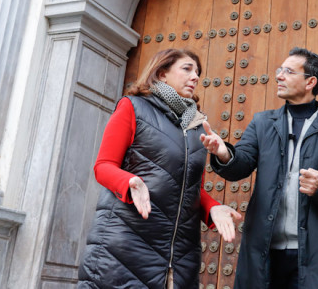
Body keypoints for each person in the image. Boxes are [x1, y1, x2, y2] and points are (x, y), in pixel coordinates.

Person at [200, 47, 318, 289]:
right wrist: (224, 153)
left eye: (288, 71)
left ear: (310, 81)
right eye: (280, 70)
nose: (279, 76)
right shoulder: (262, 123)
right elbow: (242, 164)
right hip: (264, 253)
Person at [79, 48, 241, 289]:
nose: (195, 77)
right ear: (162, 74)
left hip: (179, 257)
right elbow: (103, 166)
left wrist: (213, 209)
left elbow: (189, 188)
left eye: (198, 72)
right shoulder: (132, 107)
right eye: (187, 69)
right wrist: (130, 182)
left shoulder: (196, 127)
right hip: (125, 248)